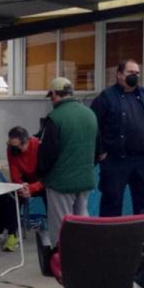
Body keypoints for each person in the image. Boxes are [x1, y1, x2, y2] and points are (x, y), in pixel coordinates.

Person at [91, 60, 144, 217]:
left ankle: (143, 238)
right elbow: (93, 125)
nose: (135, 76)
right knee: (112, 200)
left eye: (137, 73)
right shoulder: (106, 97)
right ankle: (111, 238)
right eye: (131, 72)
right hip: (116, 161)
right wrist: (101, 151)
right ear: (119, 74)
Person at [36, 77, 98, 246]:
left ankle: (64, 262)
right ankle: (85, 257)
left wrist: (41, 175)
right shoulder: (90, 114)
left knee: (62, 226)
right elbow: (98, 149)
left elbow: (48, 153)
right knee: (82, 220)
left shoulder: (55, 118)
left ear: (55, 94)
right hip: (85, 179)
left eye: (51, 96)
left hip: (61, 182)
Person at [6, 126, 43, 200]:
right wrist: (21, 186)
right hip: (25, 182)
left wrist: (31, 188)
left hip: (42, 181)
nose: (14, 150)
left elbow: (48, 178)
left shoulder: (40, 146)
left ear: (26, 142)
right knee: (9, 199)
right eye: (11, 146)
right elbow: (14, 175)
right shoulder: (11, 149)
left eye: (16, 147)